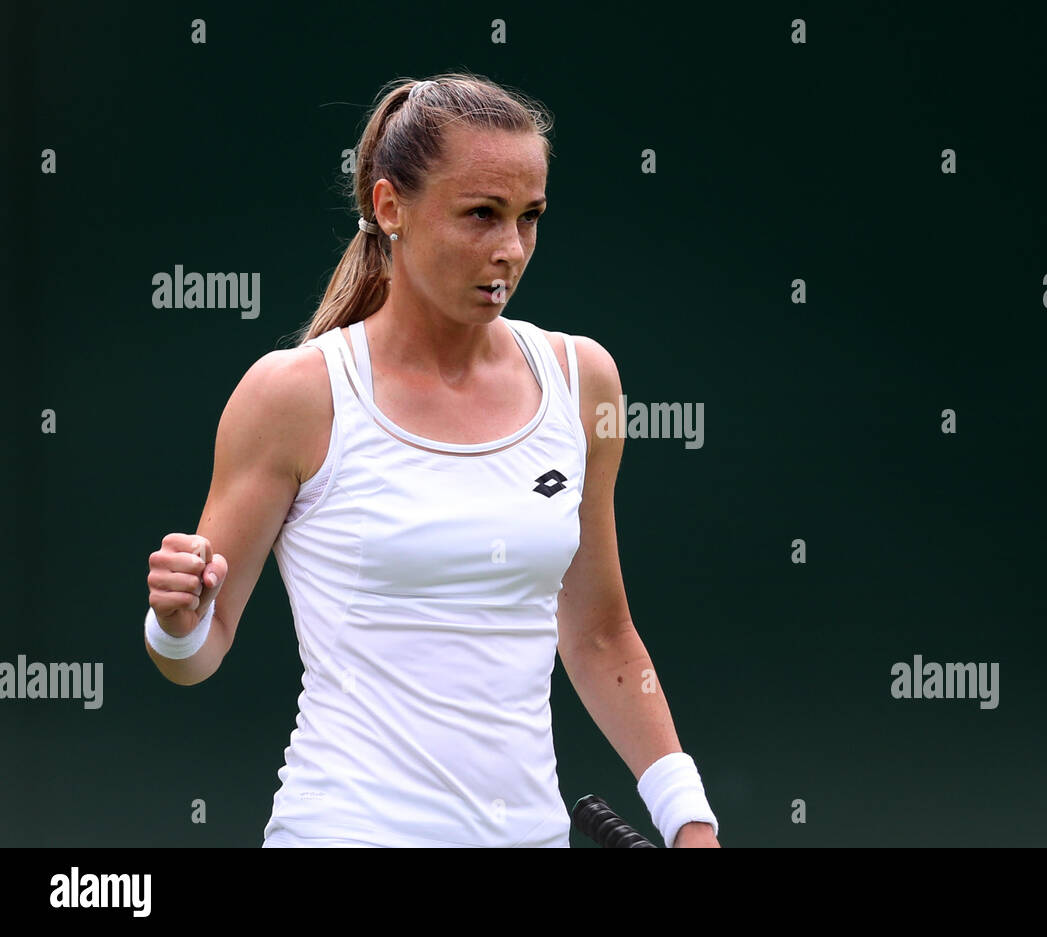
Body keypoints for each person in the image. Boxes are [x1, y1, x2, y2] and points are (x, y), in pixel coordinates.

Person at [142, 74, 720, 848]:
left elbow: (601, 634)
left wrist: (688, 817)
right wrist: (175, 621)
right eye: (481, 214)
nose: (510, 249)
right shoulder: (292, 395)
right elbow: (198, 652)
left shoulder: (585, 382)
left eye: (530, 217)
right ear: (390, 208)